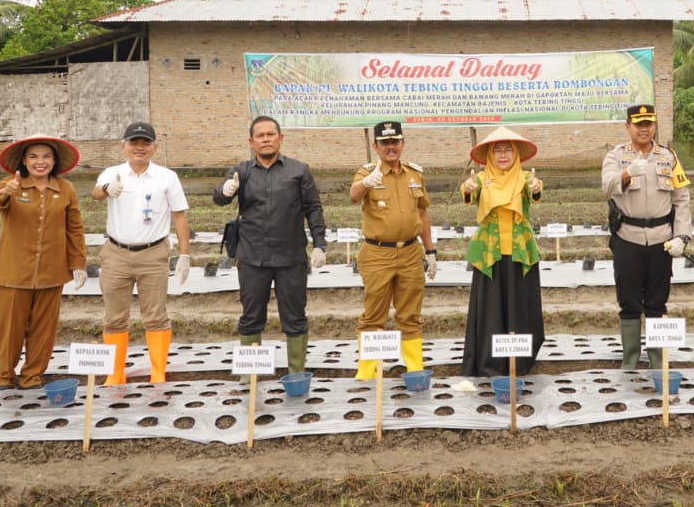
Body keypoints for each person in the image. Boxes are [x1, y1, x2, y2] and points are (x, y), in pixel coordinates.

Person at [213, 116, 327, 376]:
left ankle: (297, 374)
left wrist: (320, 243)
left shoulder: (299, 170)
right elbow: (218, 198)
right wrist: (226, 191)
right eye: (260, 136)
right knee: (251, 316)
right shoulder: (240, 171)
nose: (266, 139)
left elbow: (313, 208)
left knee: (295, 317)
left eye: (271, 134)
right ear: (251, 142)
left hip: (291, 257)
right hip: (253, 257)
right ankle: (250, 378)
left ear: (280, 138)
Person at [0, 134, 87, 391]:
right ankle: (5, 376)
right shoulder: (10, 184)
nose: (40, 162)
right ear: (24, 162)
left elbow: (75, 229)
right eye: (34, 156)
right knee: (9, 329)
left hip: (52, 273)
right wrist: (5, 194)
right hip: (11, 273)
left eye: (46, 156)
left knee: (43, 330)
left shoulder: (65, 189)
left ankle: (32, 377)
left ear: (54, 161)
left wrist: (78, 263)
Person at [90, 121, 191, 384]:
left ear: (154, 147)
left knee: (155, 314)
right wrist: (105, 189)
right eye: (134, 142)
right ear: (123, 146)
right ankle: (115, 373)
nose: (139, 147)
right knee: (114, 317)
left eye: (145, 143)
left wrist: (184, 253)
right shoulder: (112, 173)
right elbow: (95, 194)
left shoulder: (166, 177)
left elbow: (179, 216)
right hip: (116, 254)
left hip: (153, 254)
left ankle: (158, 371)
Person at [602, 103, 692, 370]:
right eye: (638, 124)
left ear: (654, 126)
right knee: (628, 301)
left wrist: (682, 236)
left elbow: (682, 198)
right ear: (628, 126)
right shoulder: (615, 156)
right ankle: (629, 360)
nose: (644, 129)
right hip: (627, 238)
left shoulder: (669, 157)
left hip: (661, 240)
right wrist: (628, 173)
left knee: (657, 301)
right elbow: (606, 186)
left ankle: (656, 359)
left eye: (648, 124)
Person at [350, 120, 435, 379]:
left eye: (395, 142)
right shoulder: (366, 173)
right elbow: (353, 196)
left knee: (411, 314)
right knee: (374, 315)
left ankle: (415, 369)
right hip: (377, 254)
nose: (391, 148)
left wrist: (430, 251)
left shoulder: (414, 173)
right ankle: (367, 373)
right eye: (385, 143)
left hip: (410, 253)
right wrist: (367, 184)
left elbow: (422, 212)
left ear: (402, 144)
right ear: (376, 146)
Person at [459, 127, 544, 377]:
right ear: (489, 155)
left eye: (508, 150)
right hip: (490, 256)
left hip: (520, 255)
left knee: (520, 308)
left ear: (516, 154)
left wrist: (537, 188)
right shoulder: (481, 178)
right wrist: (468, 188)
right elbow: (470, 193)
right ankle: (489, 364)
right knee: (490, 311)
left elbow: (535, 191)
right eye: (498, 150)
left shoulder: (527, 178)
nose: (503, 154)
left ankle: (519, 363)